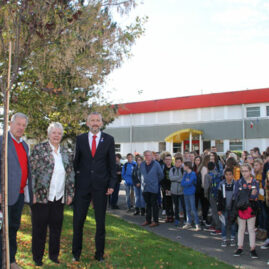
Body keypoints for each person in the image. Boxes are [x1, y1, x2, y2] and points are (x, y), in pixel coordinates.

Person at [72, 112, 117, 262]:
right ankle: (75, 254)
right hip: (82, 187)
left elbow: (112, 164)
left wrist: (111, 184)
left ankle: (99, 255)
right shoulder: (80, 139)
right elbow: (76, 162)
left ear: (102, 123)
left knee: (100, 223)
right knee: (78, 221)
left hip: (101, 187)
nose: (95, 123)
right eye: (92, 120)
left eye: (98, 120)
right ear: (87, 123)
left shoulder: (109, 140)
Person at [30, 122, 75, 266]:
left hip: (59, 197)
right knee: (39, 229)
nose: (56, 135)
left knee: (56, 229)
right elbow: (32, 172)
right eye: (54, 132)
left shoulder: (66, 152)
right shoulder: (39, 149)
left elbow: (71, 174)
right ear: (48, 134)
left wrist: (70, 193)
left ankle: (53, 256)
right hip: (42, 196)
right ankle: (37, 258)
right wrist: (33, 193)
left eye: (59, 133)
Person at [0, 113, 33, 269]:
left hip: (19, 195)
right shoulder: (2, 141)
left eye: (23, 125)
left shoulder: (25, 145)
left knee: (13, 228)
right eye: (18, 124)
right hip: (4, 195)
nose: (21, 128)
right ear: (10, 123)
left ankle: (10, 260)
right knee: (2, 230)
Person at [233, 163, 259, 259]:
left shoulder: (254, 182)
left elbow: (255, 196)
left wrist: (249, 195)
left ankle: (252, 248)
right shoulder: (239, 182)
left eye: (246, 171)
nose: (244, 173)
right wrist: (248, 194)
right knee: (241, 228)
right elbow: (236, 195)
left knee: (251, 229)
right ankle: (240, 247)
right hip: (241, 208)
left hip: (251, 208)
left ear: (250, 171)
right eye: (242, 171)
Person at [140, 150, 163, 227]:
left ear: (152, 156)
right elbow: (140, 175)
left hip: (153, 188)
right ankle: (148, 220)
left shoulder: (156, 164)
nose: (147, 156)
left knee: (154, 205)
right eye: (145, 155)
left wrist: (155, 182)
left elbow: (161, 175)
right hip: (145, 188)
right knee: (147, 205)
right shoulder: (142, 164)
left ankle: (155, 221)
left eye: (148, 155)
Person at [217, 168, 236, 247]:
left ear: (232, 175)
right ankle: (224, 239)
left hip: (233, 208)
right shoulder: (222, 184)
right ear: (224, 175)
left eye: (230, 175)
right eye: (227, 175)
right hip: (224, 207)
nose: (228, 177)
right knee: (223, 224)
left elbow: (236, 197)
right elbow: (219, 197)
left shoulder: (235, 184)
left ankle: (232, 238)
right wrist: (219, 209)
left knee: (233, 224)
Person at [181, 161, 200, 231]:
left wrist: (186, 182)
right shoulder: (185, 174)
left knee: (193, 208)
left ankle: (197, 223)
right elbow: (182, 183)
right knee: (187, 208)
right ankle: (188, 222)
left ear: (187, 166)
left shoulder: (193, 174)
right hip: (185, 192)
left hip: (191, 192)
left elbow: (189, 182)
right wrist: (186, 182)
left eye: (184, 166)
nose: (183, 167)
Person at [204, 162, 222, 235]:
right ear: (214, 167)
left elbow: (206, 187)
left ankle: (218, 227)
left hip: (212, 194)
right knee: (217, 210)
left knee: (214, 211)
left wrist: (205, 195)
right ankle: (214, 224)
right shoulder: (218, 174)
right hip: (219, 194)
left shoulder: (207, 175)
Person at [169, 156, 185, 226]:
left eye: (179, 162)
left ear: (181, 163)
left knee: (184, 206)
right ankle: (177, 219)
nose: (177, 163)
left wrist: (176, 179)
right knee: (175, 206)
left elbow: (183, 179)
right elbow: (171, 178)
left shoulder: (183, 169)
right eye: (176, 162)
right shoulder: (172, 169)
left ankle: (185, 219)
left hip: (182, 191)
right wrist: (179, 178)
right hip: (174, 191)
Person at [160, 154, 174, 223]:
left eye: (169, 159)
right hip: (165, 189)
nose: (168, 161)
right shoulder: (163, 169)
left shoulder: (174, 168)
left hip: (173, 188)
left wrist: (171, 188)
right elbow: (161, 179)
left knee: (172, 203)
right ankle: (167, 216)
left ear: (171, 160)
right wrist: (165, 188)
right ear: (165, 161)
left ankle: (171, 216)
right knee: (166, 202)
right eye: (167, 160)